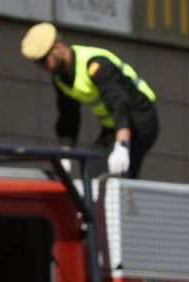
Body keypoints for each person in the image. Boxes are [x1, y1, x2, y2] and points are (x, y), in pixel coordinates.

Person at [21, 21, 159, 179]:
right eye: (37, 63)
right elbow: (68, 116)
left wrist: (122, 145)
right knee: (92, 167)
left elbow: (118, 103)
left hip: (139, 119)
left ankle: (124, 197)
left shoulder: (95, 65)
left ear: (57, 48)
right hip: (114, 125)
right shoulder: (60, 78)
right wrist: (66, 152)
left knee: (119, 171)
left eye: (43, 60)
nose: (42, 67)